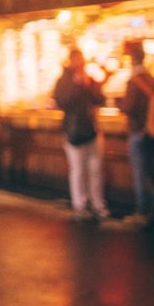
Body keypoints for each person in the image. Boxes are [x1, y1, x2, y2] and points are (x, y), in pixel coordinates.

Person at [52, 48, 109, 221]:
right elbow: (61, 101)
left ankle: (97, 204)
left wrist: (91, 85)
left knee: (95, 170)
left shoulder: (87, 79)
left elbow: (100, 99)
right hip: (73, 130)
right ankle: (80, 205)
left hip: (91, 129)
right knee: (78, 170)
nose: (80, 63)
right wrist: (77, 86)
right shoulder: (64, 81)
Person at [119, 41, 154, 226]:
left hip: (138, 131)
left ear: (131, 60)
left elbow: (128, 107)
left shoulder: (133, 81)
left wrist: (121, 103)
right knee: (153, 171)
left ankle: (141, 211)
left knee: (139, 172)